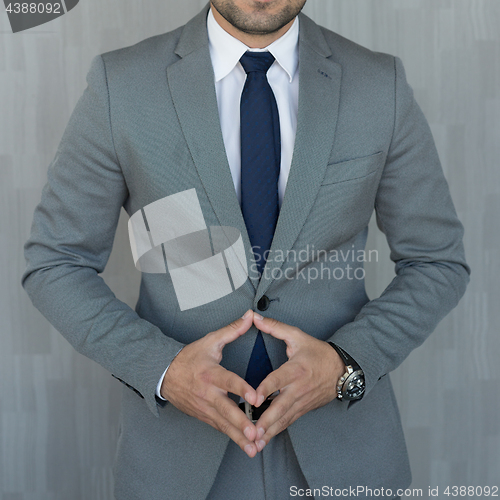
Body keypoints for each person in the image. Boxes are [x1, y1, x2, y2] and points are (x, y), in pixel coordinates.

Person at [21, 1, 470, 499]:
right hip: (177, 466)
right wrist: (163, 371)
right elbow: (56, 262)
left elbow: (436, 261)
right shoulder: (120, 85)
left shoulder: (377, 83)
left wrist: (348, 365)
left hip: (346, 460)